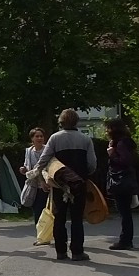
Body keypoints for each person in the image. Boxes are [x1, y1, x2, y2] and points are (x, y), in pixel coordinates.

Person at [34, 109, 97, 261]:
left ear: (61, 122)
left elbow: (43, 160)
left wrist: (39, 176)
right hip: (78, 183)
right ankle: (77, 252)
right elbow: (92, 164)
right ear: (76, 121)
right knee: (77, 218)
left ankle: (61, 251)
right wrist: (84, 175)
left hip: (59, 184)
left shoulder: (55, 138)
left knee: (59, 218)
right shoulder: (85, 139)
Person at [104, 118, 138, 250]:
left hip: (121, 181)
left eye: (108, 128)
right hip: (127, 180)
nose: (106, 131)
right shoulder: (126, 141)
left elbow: (124, 161)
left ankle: (125, 240)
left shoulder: (121, 143)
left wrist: (112, 155)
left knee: (124, 212)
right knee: (125, 212)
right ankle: (126, 239)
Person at [19, 127, 50, 242]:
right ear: (32, 138)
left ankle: (49, 235)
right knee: (37, 211)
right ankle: (41, 236)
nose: (39, 138)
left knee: (47, 212)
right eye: (37, 136)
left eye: (41, 136)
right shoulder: (29, 151)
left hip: (47, 185)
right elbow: (27, 166)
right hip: (34, 186)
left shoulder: (48, 149)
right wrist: (23, 169)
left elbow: (48, 166)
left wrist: (44, 180)